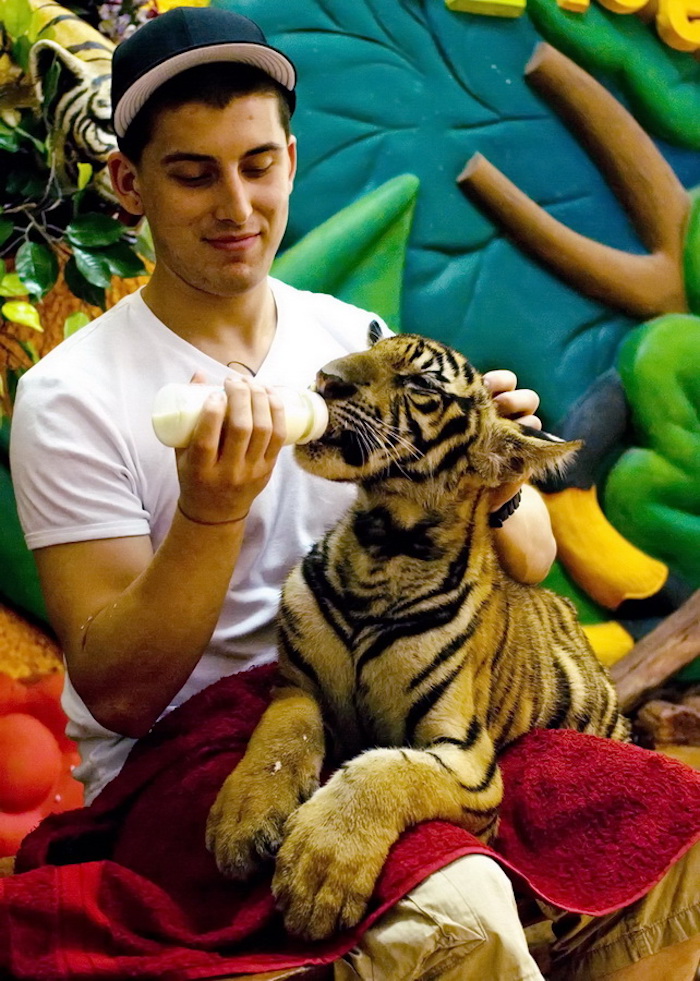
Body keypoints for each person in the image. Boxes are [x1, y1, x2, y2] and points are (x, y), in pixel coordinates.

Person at [8, 7, 699, 981]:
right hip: (198, 749)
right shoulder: (70, 396)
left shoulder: (351, 336)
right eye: (192, 172)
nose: (235, 204)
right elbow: (122, 697)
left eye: (256, 164)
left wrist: (485, 463)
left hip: (396, 708)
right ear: (129, 182)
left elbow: (530, 558)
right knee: (457, 911)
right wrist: (211, 513)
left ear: (290, 159)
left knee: (672, 833)